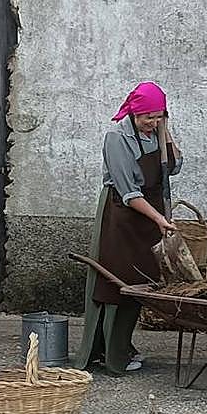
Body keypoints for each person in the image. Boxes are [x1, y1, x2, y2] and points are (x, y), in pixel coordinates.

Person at [73, 82, 181, 377]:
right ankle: (108, 354)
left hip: (149, 218)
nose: (153, 123)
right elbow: (129, 192)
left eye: (159, 116)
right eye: (149, 118)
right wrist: (159, 219)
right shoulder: (117, 139)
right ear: (134, 112)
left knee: (140, 284)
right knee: (115, 285)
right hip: (122, 217)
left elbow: (175, 165)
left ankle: (122, 346)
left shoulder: (157, 133)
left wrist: (165, 131)